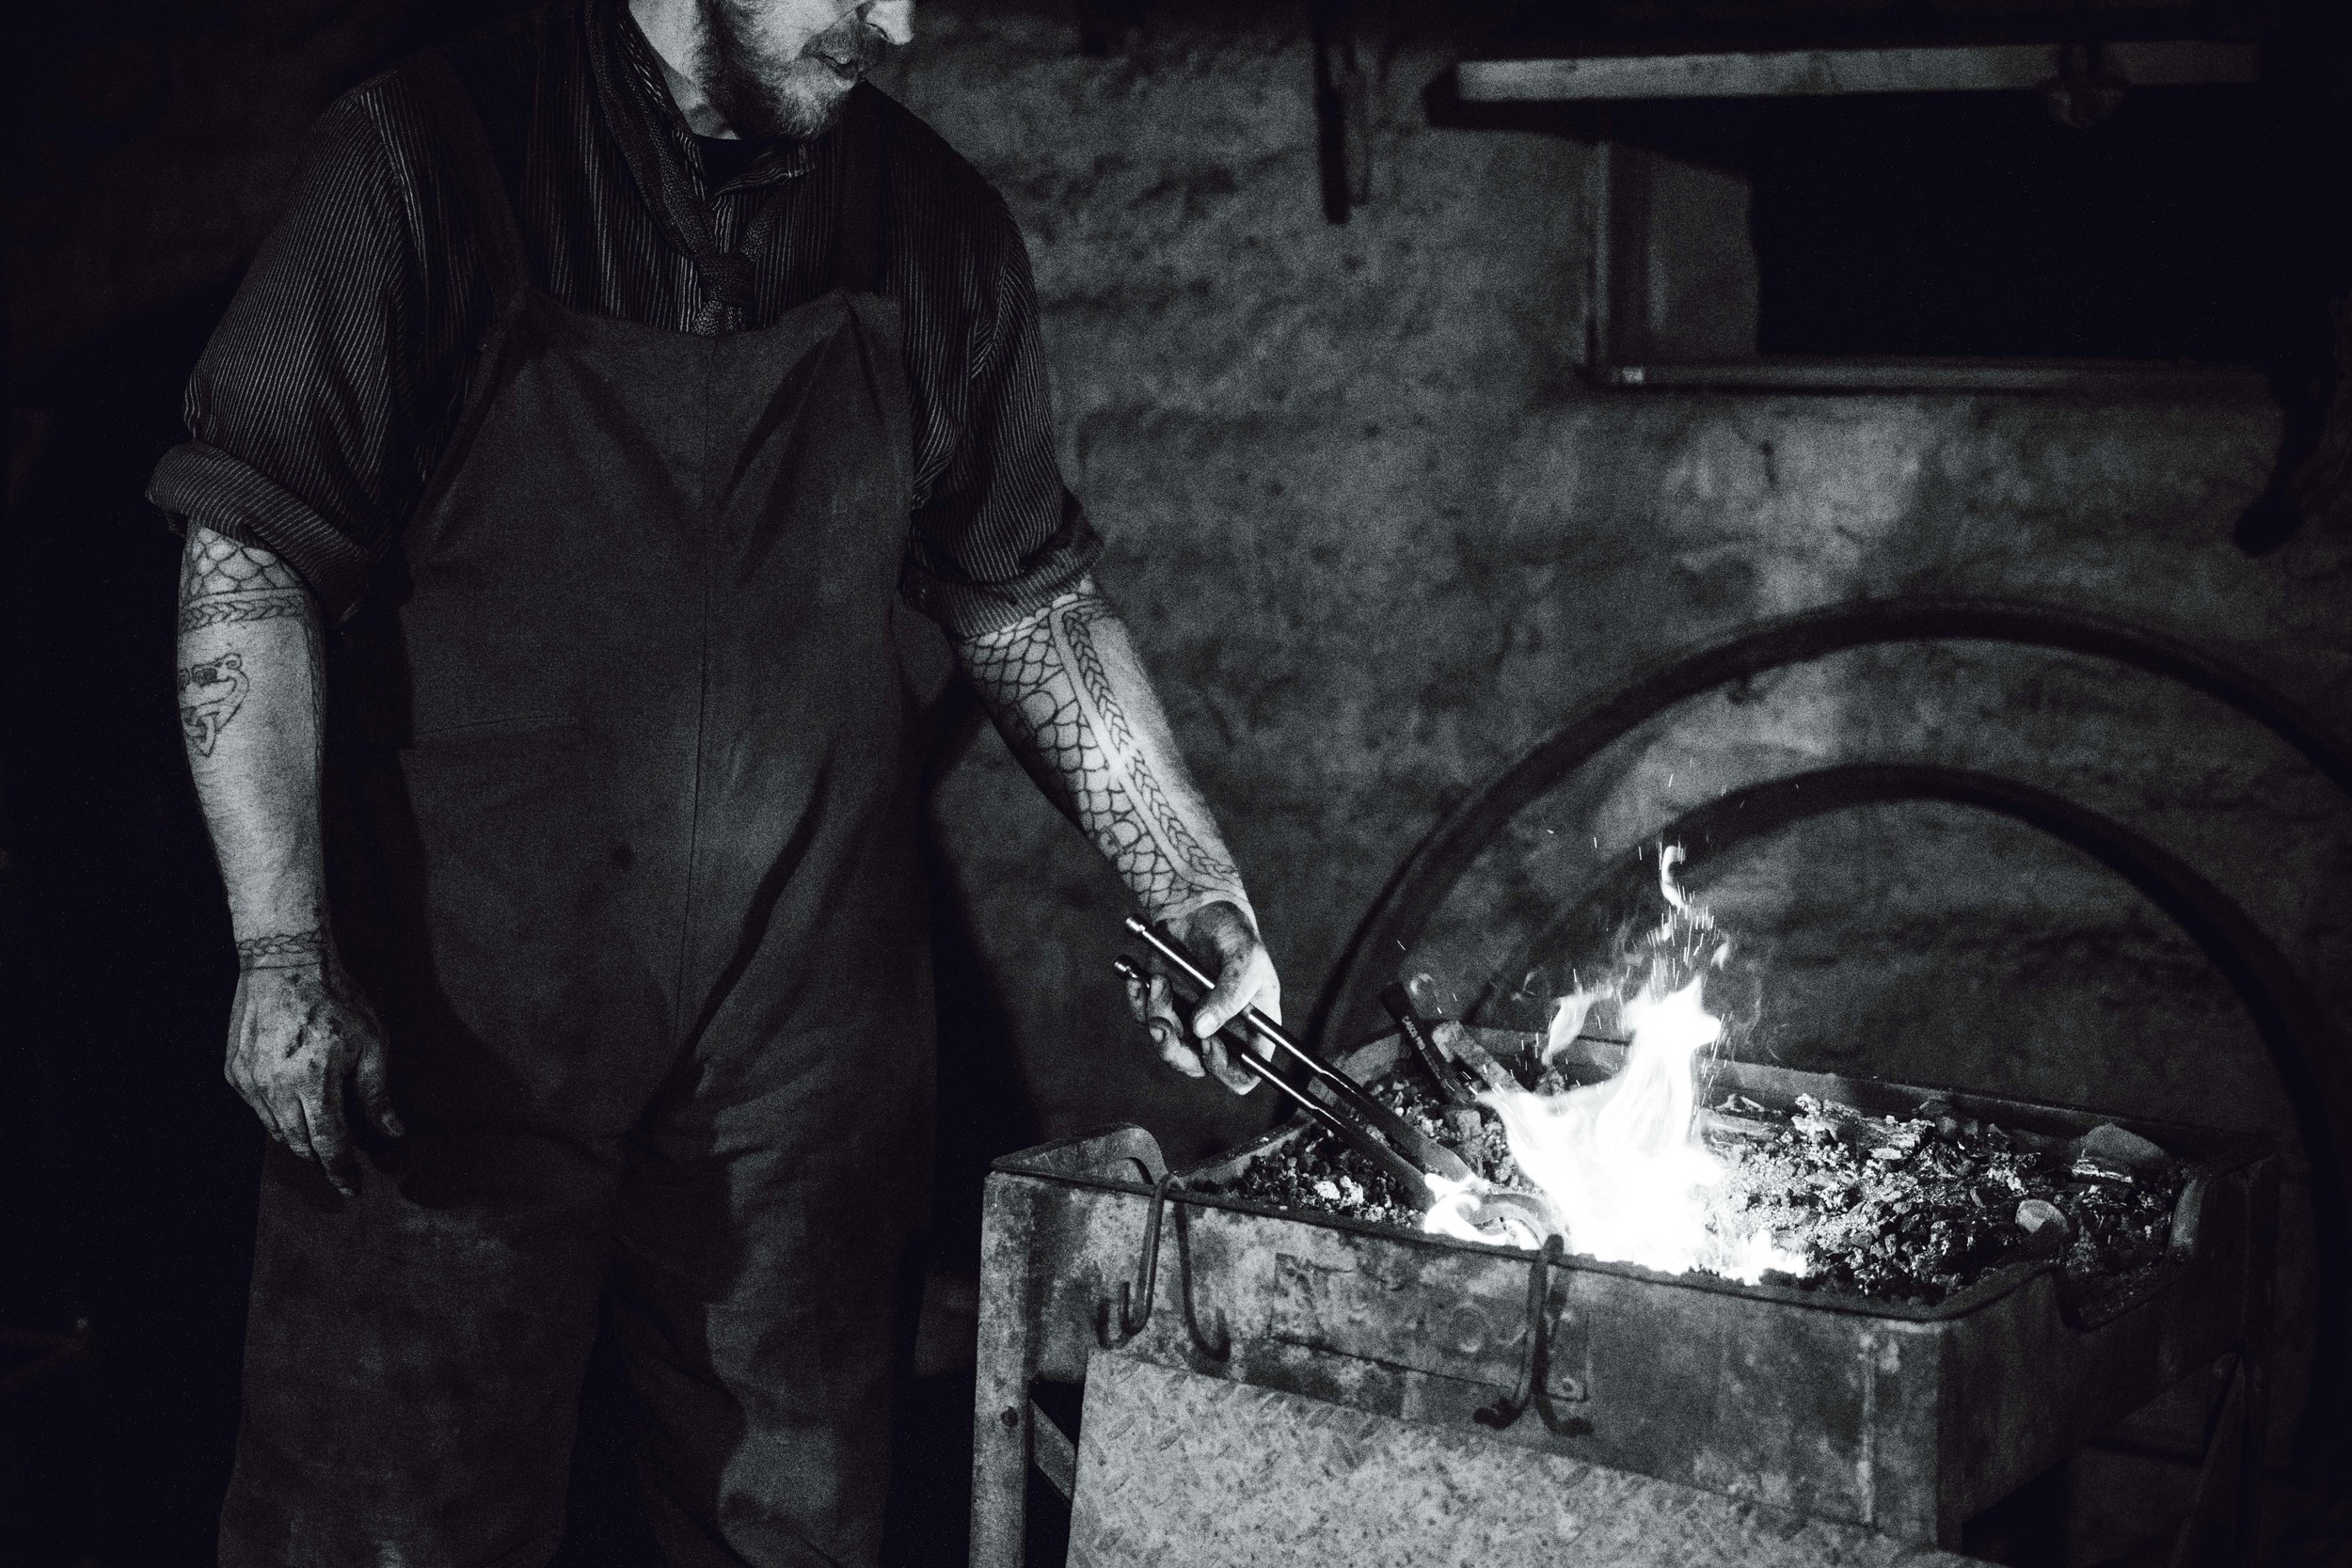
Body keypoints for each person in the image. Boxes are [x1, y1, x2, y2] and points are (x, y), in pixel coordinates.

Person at [150, 2, 1279, 1562]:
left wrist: (1188, 885)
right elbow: (253, 547)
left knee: (792, 1532)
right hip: (462, 1026)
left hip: (797, 1054)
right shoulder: (425, 158)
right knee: (389, 1523)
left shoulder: (931, 227)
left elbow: (1027, 595)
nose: (894, 24)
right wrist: (281, 950)